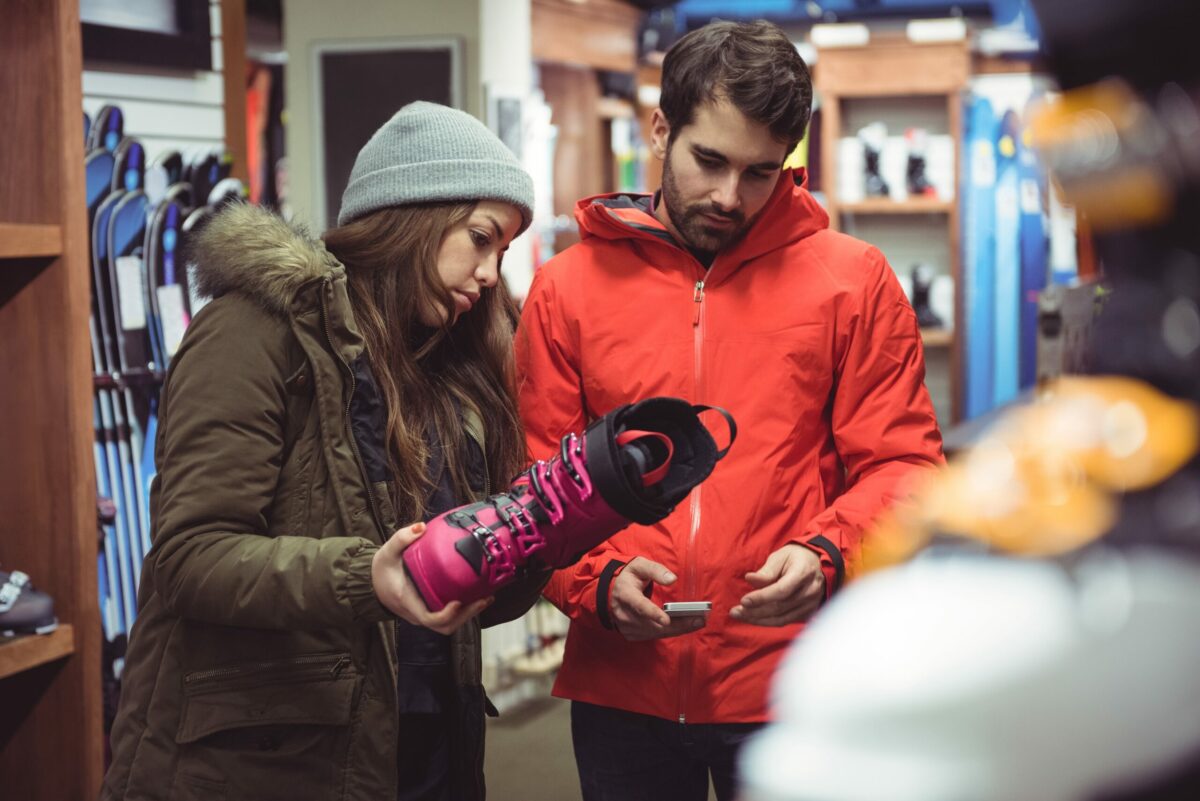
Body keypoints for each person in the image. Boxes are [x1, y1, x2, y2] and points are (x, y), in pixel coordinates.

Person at [515, 19, 945, 801]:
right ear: (659, 129)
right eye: (708, 160)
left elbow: (904, 465)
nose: (728, 196)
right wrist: (595, 581)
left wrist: (828, 554)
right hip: (624, 681)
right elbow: (538, 481)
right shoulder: (568, 289)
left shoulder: (853, 281)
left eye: (760, 172)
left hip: (794, 678)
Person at [100, 101, 547, 801]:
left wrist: (548, 530)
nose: (491, 273)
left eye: (504, 251)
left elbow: (459, 600)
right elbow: (191, 555)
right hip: (267, 764)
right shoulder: (255, 330)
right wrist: (367, 576)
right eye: (480, 238)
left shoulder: (447, 368)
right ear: (412, 218)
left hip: (424, 752)